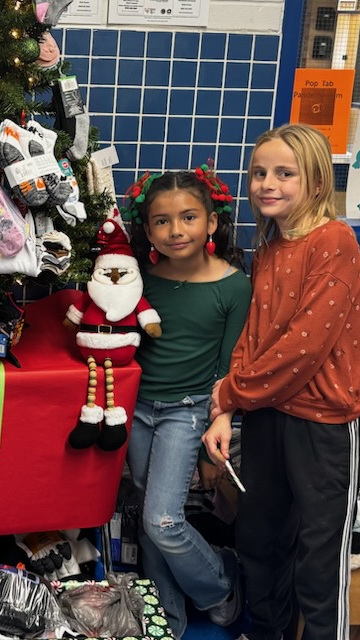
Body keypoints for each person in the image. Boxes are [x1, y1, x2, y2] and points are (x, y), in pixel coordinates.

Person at [203, 123, 360, 640]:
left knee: (319, 561)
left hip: (323, 426)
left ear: (317, 182)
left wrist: (230, 393)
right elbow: (256, 336)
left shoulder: (334, 241)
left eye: (284, 173)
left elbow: (302, 349)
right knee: (258, 539)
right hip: (269, 415)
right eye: (258, 173)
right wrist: (225, 411)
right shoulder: (271, 245)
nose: (266, 183)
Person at [121, 166, 252, 638]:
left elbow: (227, 372)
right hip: (136, 409)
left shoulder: (234, 286)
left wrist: (207, 448)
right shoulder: (140, 279)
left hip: (187, 411)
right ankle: (167, 616)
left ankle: (220, 584)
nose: (175, 231)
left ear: (212, 223)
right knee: (145, 506)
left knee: (162, 518)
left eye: (189, 217)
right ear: (148, 228)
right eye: (161, 221)